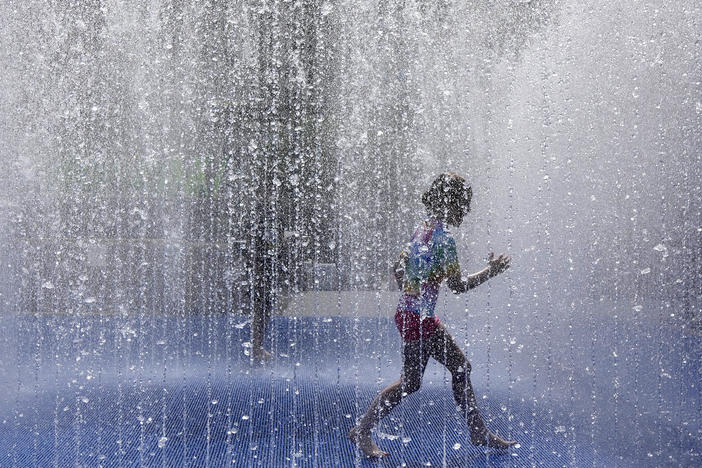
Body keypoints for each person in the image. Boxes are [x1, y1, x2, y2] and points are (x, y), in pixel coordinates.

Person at [348, 172, 517, 457]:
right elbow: (459, 286)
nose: (467, 210)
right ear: (451, 203)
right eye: (464, 203)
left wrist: (413, 293)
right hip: (419, 319)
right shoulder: (444, 240)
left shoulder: (422, 229)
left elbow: (397, 269)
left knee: (419, 380)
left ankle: (476, 431)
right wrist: (493, 271)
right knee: (447, 371)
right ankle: (363, 431)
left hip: (410, 314)